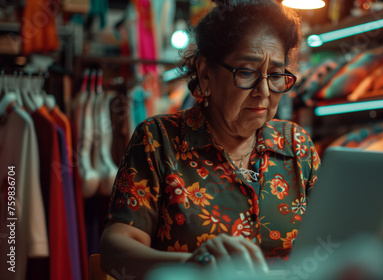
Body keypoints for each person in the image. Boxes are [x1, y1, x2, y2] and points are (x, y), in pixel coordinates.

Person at [99, 0, 321, 278]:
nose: (264, 91)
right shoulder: (159, 140)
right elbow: (114, 251)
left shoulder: (296, 145)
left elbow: (329, 239)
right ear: (205, 73)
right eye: (247, 72)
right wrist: (193, 267)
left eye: (275, 75)